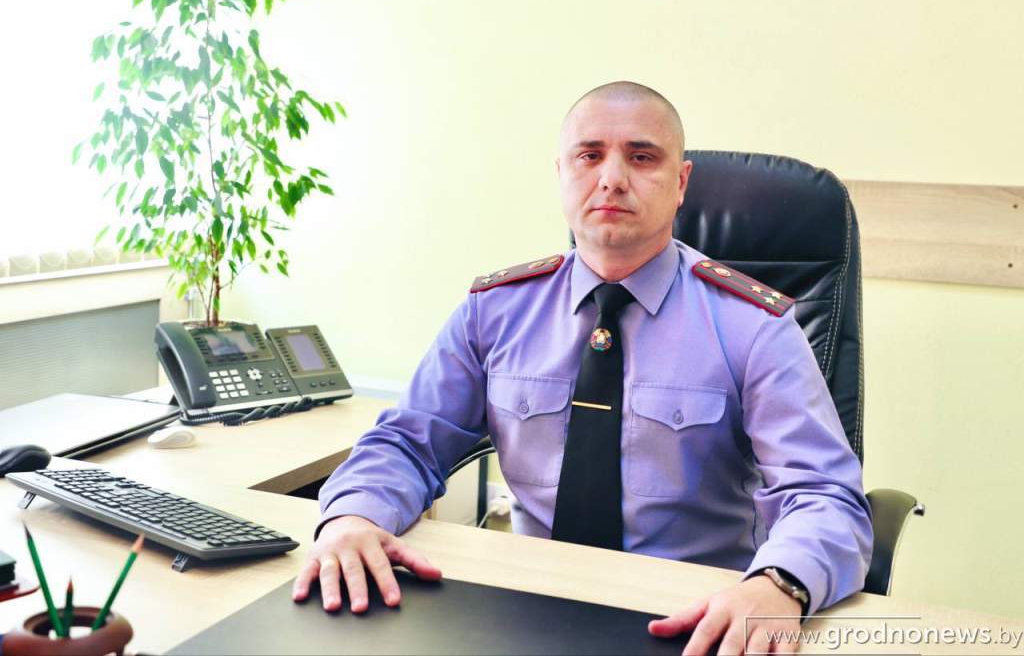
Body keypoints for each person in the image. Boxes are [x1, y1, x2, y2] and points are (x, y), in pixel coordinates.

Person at [292, 81, 872, 655]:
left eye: (641, 157)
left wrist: (779, 585)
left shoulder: (754, 326)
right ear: (561, 174)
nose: (612, 178)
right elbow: (406, 443)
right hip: (529, 611)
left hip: (694, 622)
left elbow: (825, 495)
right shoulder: (495, 311)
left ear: (681, 183)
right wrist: (352, 517)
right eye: (589, 155)